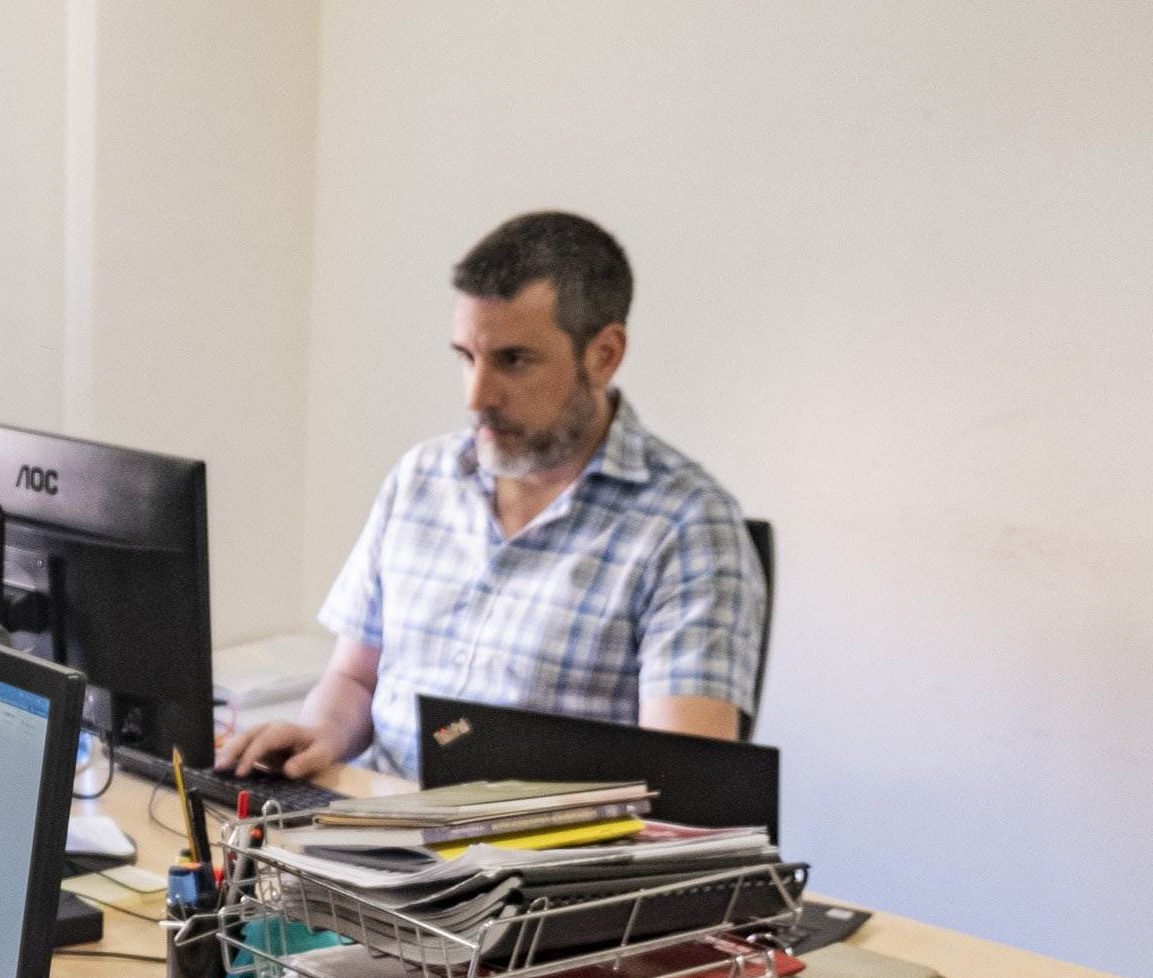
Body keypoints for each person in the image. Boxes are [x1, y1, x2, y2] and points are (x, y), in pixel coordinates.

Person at [219, 211, 765, 783]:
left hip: (541, 859)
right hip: (375, 833)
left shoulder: (687, 526)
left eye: (513, 360)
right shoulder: (422, 478)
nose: (478, 395)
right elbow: (356, 677)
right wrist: (319, 737)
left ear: (604, 354)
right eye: (466, 357)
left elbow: (683, 786)